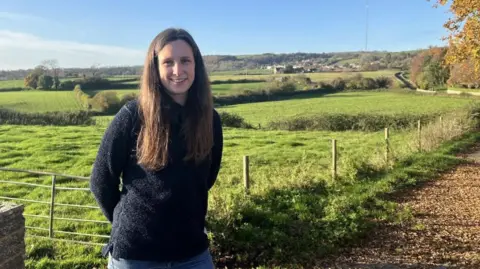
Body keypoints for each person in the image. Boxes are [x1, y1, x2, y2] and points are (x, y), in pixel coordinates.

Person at [89, 28, 223, 269]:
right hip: (135, 256)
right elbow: (101, 180)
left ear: (197, 65)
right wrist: (128, 223)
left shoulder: (210, 120)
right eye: (168, 62)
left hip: (193, 253)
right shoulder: (132, 116)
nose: (178, 71)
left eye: (185, 61)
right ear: (155, 68)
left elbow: (206, 178)